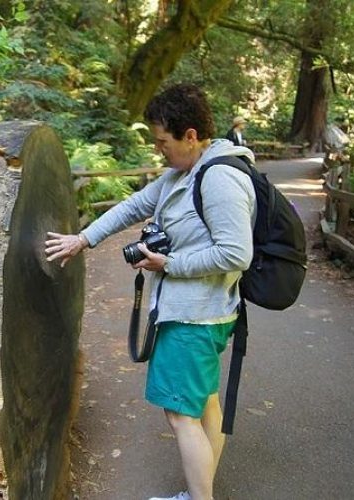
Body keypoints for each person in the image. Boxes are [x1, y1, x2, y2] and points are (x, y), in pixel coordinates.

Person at [45, 84, 256, 500]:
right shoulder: (184, 172)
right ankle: (201, 491)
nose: (158, 149)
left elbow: (236, 253)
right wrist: (82, 239)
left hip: (193, 317)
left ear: (190, 135)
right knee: (205, 403)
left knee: (180, 415)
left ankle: (199, 498)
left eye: (163, 140)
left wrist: (168, 264)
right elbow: (132, 206)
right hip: (200, 312)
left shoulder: (219, 178)